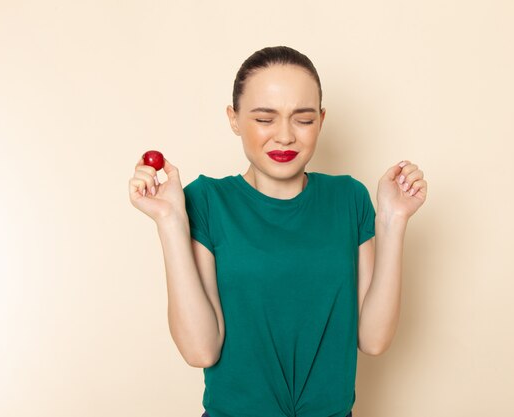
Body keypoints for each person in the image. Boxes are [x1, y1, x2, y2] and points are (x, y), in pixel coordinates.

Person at [129, 46, 427, 417]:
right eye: (265, 119)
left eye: (302, 119)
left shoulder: (349, 197)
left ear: (321, 120)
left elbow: (374, 339)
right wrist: (170, 221)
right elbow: (200, 350)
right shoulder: (205, 201)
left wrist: (393, 220)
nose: (285, 136)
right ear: (234, 119)